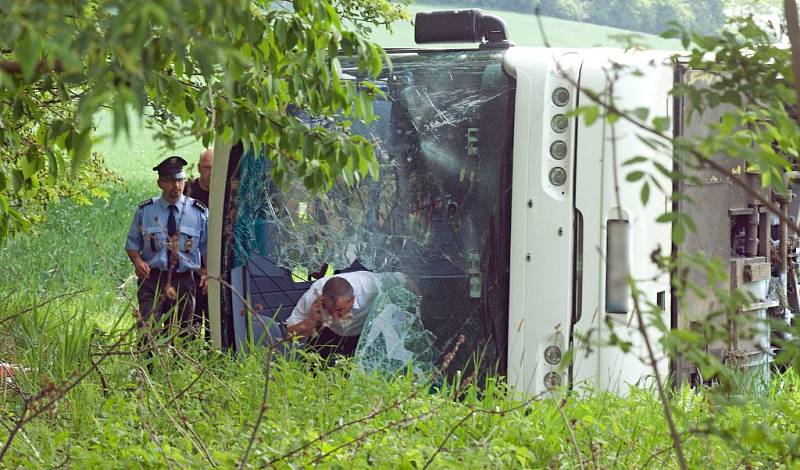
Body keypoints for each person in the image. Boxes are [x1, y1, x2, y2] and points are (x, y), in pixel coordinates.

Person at [125, 156, 209, 345]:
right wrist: (138, 262)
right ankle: (147, 372)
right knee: (148, 331)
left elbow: (206, 249)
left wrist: (207, 274)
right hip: (153, 280)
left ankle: (177, 371)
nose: (176, 186)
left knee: (183, 334)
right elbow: (132, 244)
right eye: (170, 181)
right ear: (160, 183)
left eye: (179, 180)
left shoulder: (198, 212)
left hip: (184, 280)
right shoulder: (145, 212)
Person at [285, 271, 406, 359]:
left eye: (339, 310)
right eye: (329, 309)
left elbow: (406, 280)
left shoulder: (370, 286)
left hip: (363, 334)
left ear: (352, 300)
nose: (334, 315)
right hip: (326, 331)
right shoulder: (313, 295)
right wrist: (311, 320)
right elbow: (288, 336)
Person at [184, 148, 213, 340]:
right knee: (190, 318)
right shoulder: (187, 191)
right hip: (189, 265)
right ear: (200, 168)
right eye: (208, 167)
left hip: (215, 267)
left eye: (215, 168)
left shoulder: (226, 194)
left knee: (214, 319)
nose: (211, 173)